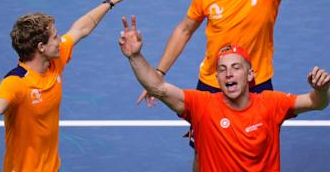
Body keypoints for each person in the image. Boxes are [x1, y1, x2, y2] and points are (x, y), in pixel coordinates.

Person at [138, 0, 310, 170]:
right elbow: (184, 29)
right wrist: (158, 73)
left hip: (258, 82)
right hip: (211, 83)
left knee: (259, 149)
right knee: (204, 151)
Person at [0, 0, 135, 172]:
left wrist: (112, 0)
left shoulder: (54, 61)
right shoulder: (16, 82)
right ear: (41, 47)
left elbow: (80, 29)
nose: (60, 40)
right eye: (55, 37)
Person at [120, 15, 330, 172]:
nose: (229, 73)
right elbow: (159, 88)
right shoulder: (202, 104)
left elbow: (316, 103)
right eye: (222, 69)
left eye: (236, 67)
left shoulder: (271, 103)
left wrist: (321, 90)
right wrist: (135, 57)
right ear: (217, 79)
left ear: (250, 75)